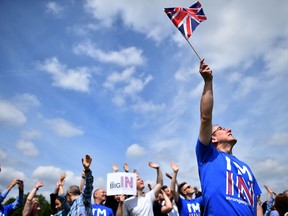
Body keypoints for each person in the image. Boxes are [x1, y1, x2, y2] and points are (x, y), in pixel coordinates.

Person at [196, 59, 262, 215]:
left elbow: (256, 204)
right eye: (221, 128)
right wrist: (208, 82)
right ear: (213, 139)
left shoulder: (246, 167)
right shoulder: (208, 156)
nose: (228, 129)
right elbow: (206, 117)